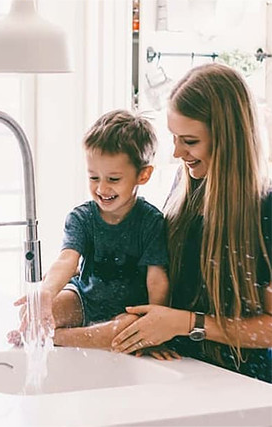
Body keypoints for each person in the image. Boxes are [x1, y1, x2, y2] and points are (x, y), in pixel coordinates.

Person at [111, 63, 272, 382]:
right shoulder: (186, 188)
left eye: (190, 141)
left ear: (228, 138)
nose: (176, 152)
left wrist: (187, 324)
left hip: (243, 389)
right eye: (174, 137)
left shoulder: (265, 209)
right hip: (180, 372)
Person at [9, 109, 174, 358]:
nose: (101, 188)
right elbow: (67, 260)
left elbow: (157, 279)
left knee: (128, 328)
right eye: (93, 177)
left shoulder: (151, 221)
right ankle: (76, 333)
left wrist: (155, 325)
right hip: (84, 300)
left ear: (143, 175)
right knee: (33, 311)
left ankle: (57, 336)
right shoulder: (82, 217)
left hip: (126, 311)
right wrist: (45, 292)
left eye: (113, 179)